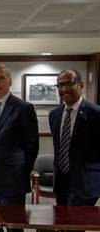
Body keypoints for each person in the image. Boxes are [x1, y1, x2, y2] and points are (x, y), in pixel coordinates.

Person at [0, 64, 39, 232]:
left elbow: (31, 145)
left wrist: (22, 171)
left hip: (13, 179)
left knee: (14, 226)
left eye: (2, 78)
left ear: (9, 81)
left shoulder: (23, 108)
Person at [49, 69, 100, 232]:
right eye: (60, 85)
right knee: (63, 224)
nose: (64, 89)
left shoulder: (95, 113)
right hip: (61, 181)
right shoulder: (55, 115)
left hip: (85, 182)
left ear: (81, 85)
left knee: (74, 227)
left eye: (69, 83)